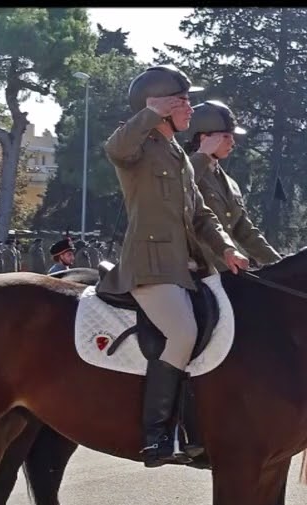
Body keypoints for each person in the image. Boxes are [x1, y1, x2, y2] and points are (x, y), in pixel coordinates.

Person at [100, 64, 248, 468]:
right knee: (182, 333)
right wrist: (150, 112)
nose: (190, 109)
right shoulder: (139, 146)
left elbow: (200, 215)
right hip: (150, 266)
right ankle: (157, 434)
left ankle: (199, 430)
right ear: (161, 105)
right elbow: (115, 149)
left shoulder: (178, 154)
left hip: (187, 267)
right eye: (183, 101)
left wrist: (228, 248)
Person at [187, 100, 282, 269]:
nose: (232, 142)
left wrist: (280, 264)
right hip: (192, 270)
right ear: (204, 138)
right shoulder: (182, 171)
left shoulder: (230, 183)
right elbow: (178, 186)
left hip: (225, 269)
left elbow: (245, 231)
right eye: (225, 136)